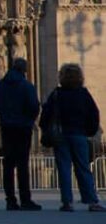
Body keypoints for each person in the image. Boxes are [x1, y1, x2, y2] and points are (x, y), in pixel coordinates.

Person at [39, 63, 105, 212]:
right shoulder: (83, 94)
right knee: (83, 168)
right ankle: (91, 201)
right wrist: (89, 131)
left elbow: (45, 115)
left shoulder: (57, 94)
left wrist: (47, 130)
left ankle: (67, 202)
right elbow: (94, 114)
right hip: (79, 134)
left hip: (61, 136)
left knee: (64, 169)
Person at [0, 58, 42, 211]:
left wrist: (6, 115)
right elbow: (34, 106)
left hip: (7, 127)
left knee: (8, 165)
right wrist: (28, 119)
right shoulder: (27, 86)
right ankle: (25, 199)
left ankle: (10, 200)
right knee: (22, 165)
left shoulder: (0, 86)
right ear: (24, 70)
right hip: (23, 128)